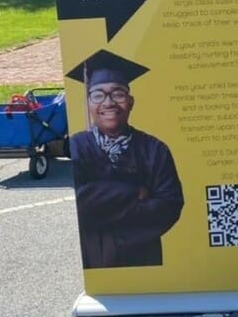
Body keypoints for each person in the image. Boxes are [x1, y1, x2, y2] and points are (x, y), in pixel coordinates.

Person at [66, 50, 184, 269]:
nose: (109, 103)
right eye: (98, 95)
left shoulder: (155, 150)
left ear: (131, 102)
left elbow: (169, 206)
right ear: (89, 104)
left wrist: (105, 214)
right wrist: (133, 193)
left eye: (118, 94)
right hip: (94, 259)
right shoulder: (76, 147)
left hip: (143, 256)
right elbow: (77, 201)